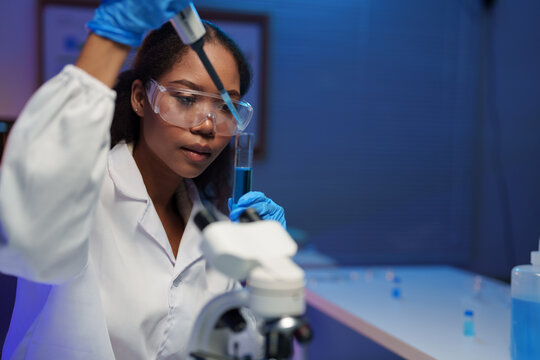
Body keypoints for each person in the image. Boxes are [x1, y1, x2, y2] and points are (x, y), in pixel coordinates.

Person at [0, 0, 285, 358]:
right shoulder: (79, 195)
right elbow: (33, 206)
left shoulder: (212, 231)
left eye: (226, 107)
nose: (207, 125)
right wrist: (108, 39)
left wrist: (262, 280)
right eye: (185, 98)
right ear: (139, 98)